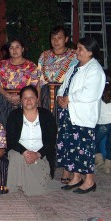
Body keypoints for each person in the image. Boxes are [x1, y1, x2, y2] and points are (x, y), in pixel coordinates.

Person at [57, 37, 106, 194]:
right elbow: (64, 85)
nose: (76, 51)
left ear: (90, 52)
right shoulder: (75, 67)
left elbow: (90, 93)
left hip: (83, 117)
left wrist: (69, 98)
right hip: (69, 113)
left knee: (84, 149)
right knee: (72, 147)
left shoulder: (95, 70)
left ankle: (89, 181)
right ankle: (76, 177)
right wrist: (60, 97)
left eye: (80, 49)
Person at [6, 86, 58, 196]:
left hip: (40, 155)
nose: (28, 100)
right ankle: (24, 184)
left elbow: (51, 140)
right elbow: (10, 139)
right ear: (21, 100)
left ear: (37, 99)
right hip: (19, 153)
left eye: (32, 97)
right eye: (25, 98)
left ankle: (23, 182)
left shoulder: (46, 115)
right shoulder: (14, 115)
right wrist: (24, 152)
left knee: (37, 180)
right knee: (16, 157)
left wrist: (38, 154)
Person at [37, 26, 77, 127]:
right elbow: (39, 79)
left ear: (66, 39)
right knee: (46, 125)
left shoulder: (74, 55)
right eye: (53, 38)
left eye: (59, 37)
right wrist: (37, 98)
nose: (55, 41)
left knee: (64, 125)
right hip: (45, 95)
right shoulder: (44, 55)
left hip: (64, 94)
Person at [0, 38, 39, 126]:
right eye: (11, 48)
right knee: (4, 127)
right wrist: (7, 95)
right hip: (4, 99)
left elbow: (34, 85)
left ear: (22, 49)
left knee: (22, 127)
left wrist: (20, 97)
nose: (14, 50)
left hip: (24, 100)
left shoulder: (31, 66)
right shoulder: (1, 65)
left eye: (17, 47)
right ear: (8, 50)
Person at [95, 82, 111, 174]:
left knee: (92, 143)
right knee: (109, 146)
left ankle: (99, 163)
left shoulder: (99, 95)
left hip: (103, 123)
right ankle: (108, 166)